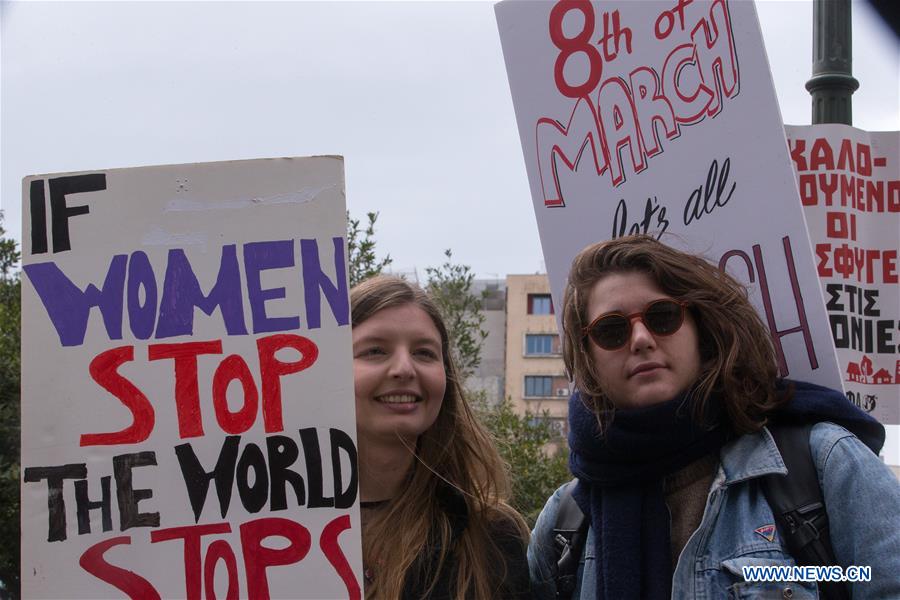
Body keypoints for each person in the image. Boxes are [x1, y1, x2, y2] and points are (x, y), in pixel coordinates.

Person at [528, 235, 900, 599]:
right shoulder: (565, 525)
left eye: (662, 316)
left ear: (701, 330)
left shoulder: (822, 463)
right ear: (589, 356)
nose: (640, 338)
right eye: (611, 329)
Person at [351, 275, 530, 599]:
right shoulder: (269, 530)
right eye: (375, 350)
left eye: (424, 353)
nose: (404, 368)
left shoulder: (492, 536)